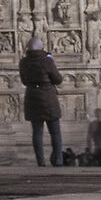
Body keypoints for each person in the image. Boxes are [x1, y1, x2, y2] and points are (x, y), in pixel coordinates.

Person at [19, 36, 64, 166]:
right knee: (55, 131)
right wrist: (50, 58)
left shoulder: (23, 62)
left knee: (37, 132)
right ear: (41, 47)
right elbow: (58, 79)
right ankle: (58, 160)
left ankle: (41, 161)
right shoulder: (47, 60)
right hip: (48, 96)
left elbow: (24, 81)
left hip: (32, 96)